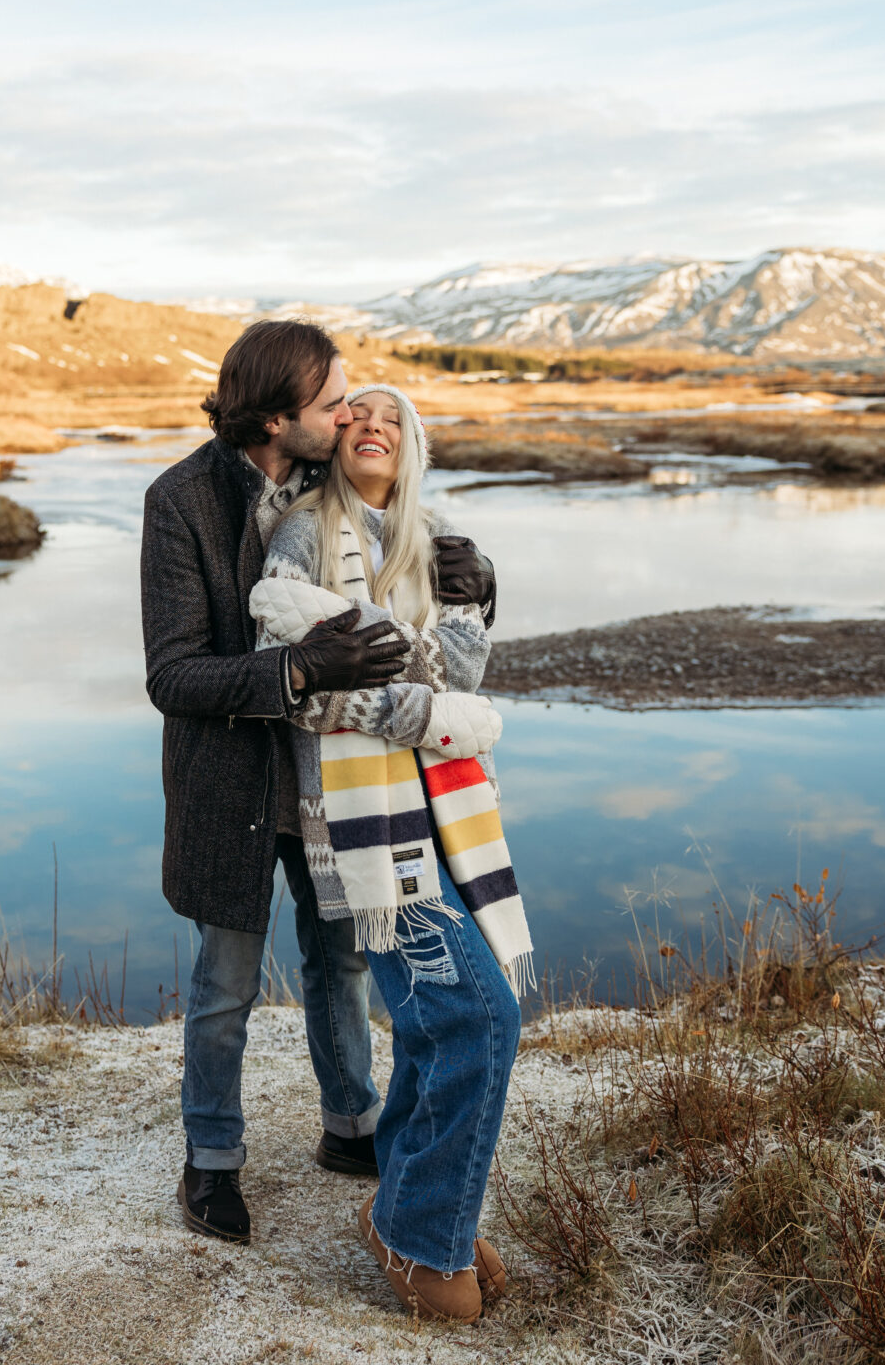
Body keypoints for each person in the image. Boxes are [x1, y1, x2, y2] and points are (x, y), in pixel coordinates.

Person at [140, 321, 497, 1246]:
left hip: (330, 776)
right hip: (230, 780)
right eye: (334, 402)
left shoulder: (322, 473)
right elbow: (172, 675)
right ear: (275, 416)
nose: (348, 416)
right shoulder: (180, 500)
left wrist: (480, 581)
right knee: (226, 980)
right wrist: (298, 668)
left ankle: (349, 1124)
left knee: (340, 959)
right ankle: (211, 1157)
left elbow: (399, 543)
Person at [250, 382, 533, 1324]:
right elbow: (309, 691)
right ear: (336, 440)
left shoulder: (437, 538)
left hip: (446, 814)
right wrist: (436, 710)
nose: (372, 425)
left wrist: (467, 606)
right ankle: (418, 1232)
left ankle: (405, 1215)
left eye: (392, 419)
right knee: (475, 1018)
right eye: (356, 415)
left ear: (413, 446)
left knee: (440, 1022)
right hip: (361, 824)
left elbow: (464, 668)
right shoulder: (301, 536)